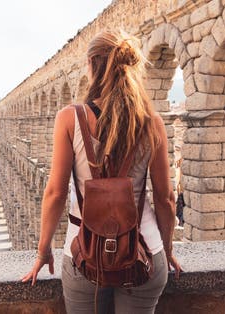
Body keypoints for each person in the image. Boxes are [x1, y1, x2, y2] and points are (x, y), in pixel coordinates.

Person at [21, 30, 183, 313]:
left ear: (92, 65)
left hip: (84, 255)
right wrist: (166, 250)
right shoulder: (152, 123)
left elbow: (55, 193)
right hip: (145, 254)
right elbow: (165, 198)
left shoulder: (70, 118)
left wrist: (43, 250)